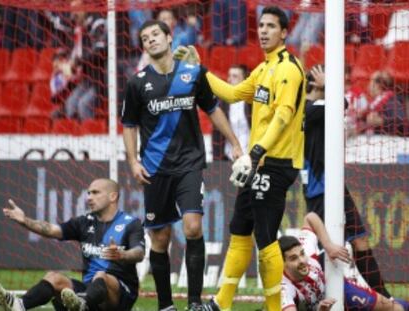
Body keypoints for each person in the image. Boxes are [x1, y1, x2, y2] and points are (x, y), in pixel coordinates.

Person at [175, 6, 306, 311]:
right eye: (261, 25)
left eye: (271, 26)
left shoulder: (288, 68)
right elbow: (232, 93)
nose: (263, 31)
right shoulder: (263, 69)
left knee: (265, 236)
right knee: (239, 228)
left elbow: (284, 116)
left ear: (284, 32)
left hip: (275, 163)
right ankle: (222, 302)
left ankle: (275, 307)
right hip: (258, 163)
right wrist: (200, 69)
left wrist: (257, 150)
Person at [121, 20, 243, 311]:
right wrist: (132, 161)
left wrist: (235, 143)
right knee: (160, 239)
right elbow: (128, 125)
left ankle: (193, 303)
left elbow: (213, 110)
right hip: (154, 169)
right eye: (145, 38)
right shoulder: (137, 82)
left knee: (192, 227)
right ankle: (166, 305)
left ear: (169, 37)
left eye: (155, 35)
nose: (150, 40)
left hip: (189, 164)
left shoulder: (192, 73)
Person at [303, 64, 395, 299]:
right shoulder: (306, 109)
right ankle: (316, 297)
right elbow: (341, 104)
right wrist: (328, 86)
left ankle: (385, 299)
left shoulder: (316, 108)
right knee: (328, 252)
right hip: (319, 188)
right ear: (315, 83)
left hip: (333, 185)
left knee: (360, 242)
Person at [0, 178, 145, 311]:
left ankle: (81, 305)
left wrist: (123, 254)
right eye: (88, 193)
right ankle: (18, 305)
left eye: (95, 193)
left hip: (120, 293)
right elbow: (52, 230)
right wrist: (25, 221)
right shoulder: (84, 222)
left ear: (113, 196)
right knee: (54, 277)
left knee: (101, 276)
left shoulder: (131, 223)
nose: (89, 198)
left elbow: (139, 252)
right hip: (89, 291)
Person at [279, 212, 409, 311]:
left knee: (396, 308)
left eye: (302, 254)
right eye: (293, 258)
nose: (302, 260)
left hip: (338, 288)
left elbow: (310, 217)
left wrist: (328, 246)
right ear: (282, 264)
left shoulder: (306, 246)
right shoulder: (284, 290)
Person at [213, 64, 251, 160]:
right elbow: (217, 133)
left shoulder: (252, 102)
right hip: (228, 157)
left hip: (250, 156)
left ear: (244, 79)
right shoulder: (222, 103)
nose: (229, 79)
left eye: (235, 76)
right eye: (229, 76)